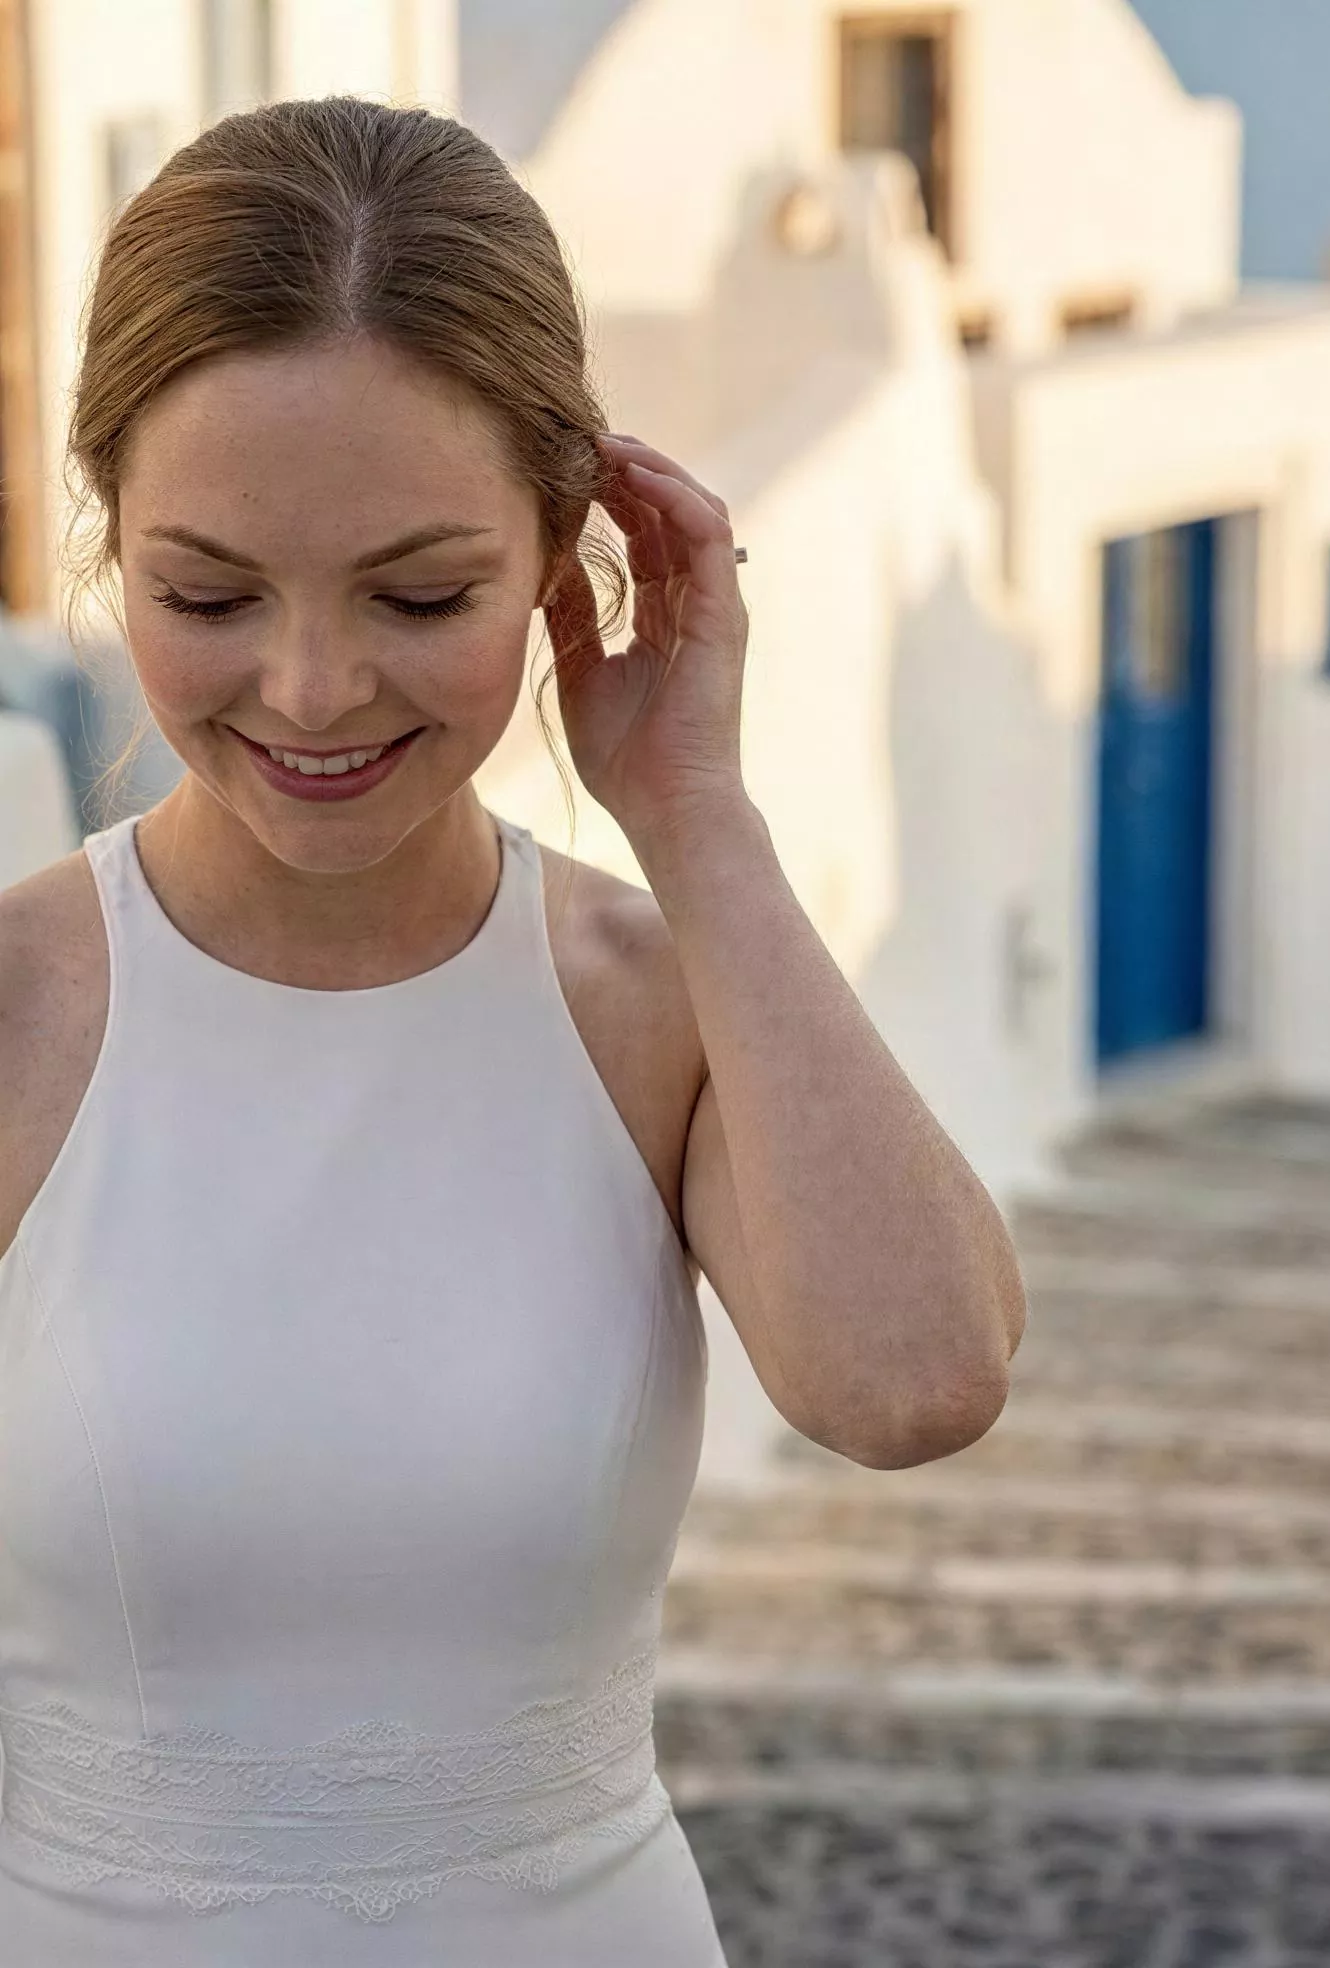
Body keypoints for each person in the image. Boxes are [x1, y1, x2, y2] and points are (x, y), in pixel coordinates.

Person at [0, 97, 1026, 1965]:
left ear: (568, 548)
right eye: (208, 593)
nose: (313, 689)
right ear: (110, 538)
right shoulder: (13, 1013)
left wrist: (695, 810)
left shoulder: (654, 1000)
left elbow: (913, 1386)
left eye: (422, 593)